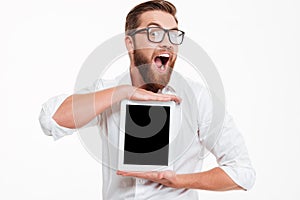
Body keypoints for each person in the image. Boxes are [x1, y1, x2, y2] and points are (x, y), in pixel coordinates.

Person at [39, 0, 255, 199]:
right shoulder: (106, 91)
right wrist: (122, 93)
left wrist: (177, 180)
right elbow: (52, 119)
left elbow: (242, 172)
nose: (167, 43)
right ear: (130, 44)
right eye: (154, 33)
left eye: (173, 35)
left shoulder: (198, 98)